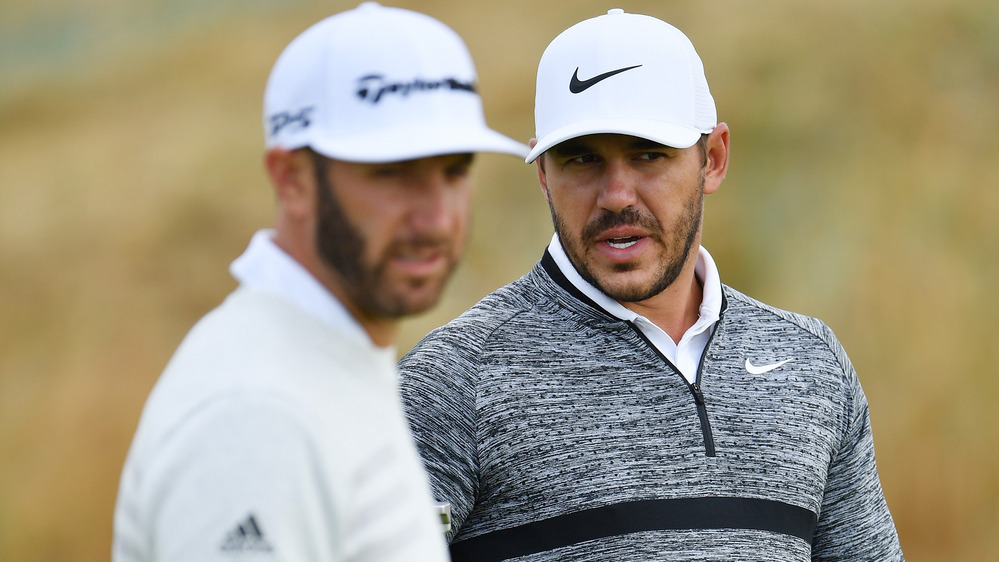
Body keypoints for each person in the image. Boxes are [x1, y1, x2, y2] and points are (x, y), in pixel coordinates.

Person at [398, 8, 904, 561]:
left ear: (712, 158)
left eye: (648, 155)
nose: (616, 195)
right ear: (544, 174)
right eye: (582, 159)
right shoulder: (449, 385)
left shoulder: (811, 364)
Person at [112, 3, 527, 561]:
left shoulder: (327, 365)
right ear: (292, 180)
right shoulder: (258, 416)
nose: (436, 218)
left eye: (454, 171)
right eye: (392, 172)